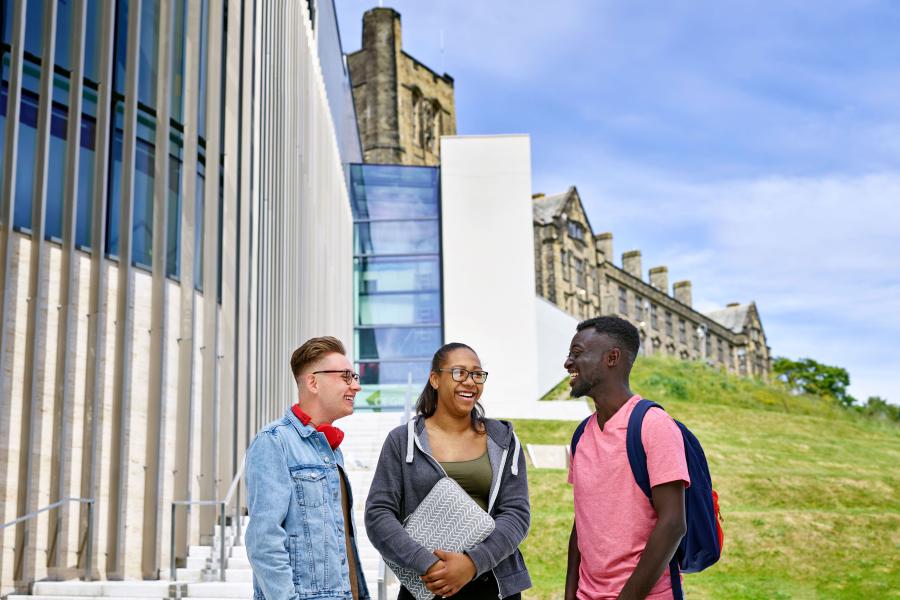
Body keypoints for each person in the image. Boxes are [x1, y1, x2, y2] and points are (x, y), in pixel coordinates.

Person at [365, 342, 531, 599]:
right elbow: (378, 515)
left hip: (492, 585)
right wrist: (427, 564)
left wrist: (472, 564)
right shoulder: (402, 441)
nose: (470, 382)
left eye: (477, 374)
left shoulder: (504, 440)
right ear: (434, 379)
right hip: (426, 584)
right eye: (459, 373)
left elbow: (516, 514)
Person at [564, 317, 690, 600]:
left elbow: (672, 523)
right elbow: (582, 522)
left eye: (577, 353)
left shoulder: (653, 425)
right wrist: (570, 594)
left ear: (612, 357)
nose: (568, 363)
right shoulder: (582, 434)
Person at [245, 336, 369, 600]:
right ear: (313, 382)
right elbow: (263, 540)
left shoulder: (331, 450)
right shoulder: (274, 442)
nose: (356, 386)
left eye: (354, 376)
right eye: (346, 377)